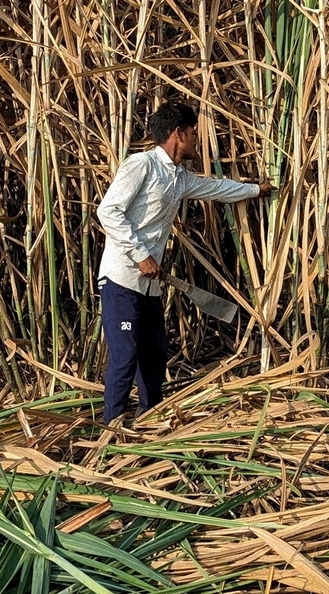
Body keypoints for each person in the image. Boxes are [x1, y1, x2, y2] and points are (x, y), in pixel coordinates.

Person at [94, 102, 273, 425]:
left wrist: (255, 190)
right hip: (122, 279)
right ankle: (112, 428)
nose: (196, 140)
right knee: (124, 355)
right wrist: (141, 255)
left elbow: (216, 188)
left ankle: (150, 420)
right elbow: (108, 211)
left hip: (149, 284)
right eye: (193, 133)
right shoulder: (141, 165)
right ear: (178, 133)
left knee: (154, 353)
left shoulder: (178, 177)